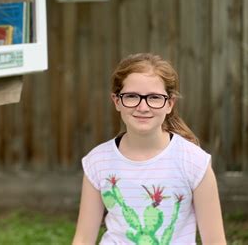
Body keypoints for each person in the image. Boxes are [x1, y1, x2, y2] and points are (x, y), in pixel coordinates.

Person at [72, 53, 226, 245]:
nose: (143, 107)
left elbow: (215, 241)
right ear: (117, 101)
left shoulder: (195, 162)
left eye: (154, 98)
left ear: (170, 104)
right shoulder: (97, 161)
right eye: (131, 96)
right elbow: (83, 238)